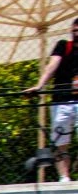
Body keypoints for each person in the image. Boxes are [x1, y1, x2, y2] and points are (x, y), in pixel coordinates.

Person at [24, 17, 78, 183]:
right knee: (60, 141)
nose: (76, 33)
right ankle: (64, 177)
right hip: (61, 101)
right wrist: (39, 85)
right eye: (74, 30)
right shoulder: (63, 46)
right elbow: (52, 66)